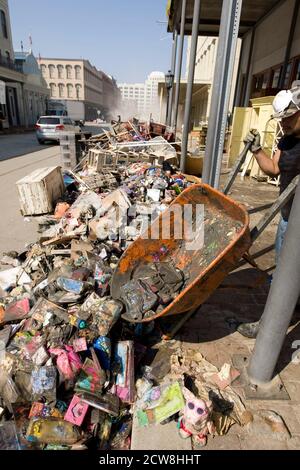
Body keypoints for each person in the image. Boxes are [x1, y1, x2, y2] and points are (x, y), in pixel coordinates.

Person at [237, 81, 300, 338]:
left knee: (288, 276)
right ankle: (285, 312)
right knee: (283, 271)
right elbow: (273, 169)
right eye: (281, 119)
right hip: (287, 217)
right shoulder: (286, 141)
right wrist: (256, 149)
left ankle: (270, 327)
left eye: (289, 118)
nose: (283, 123)